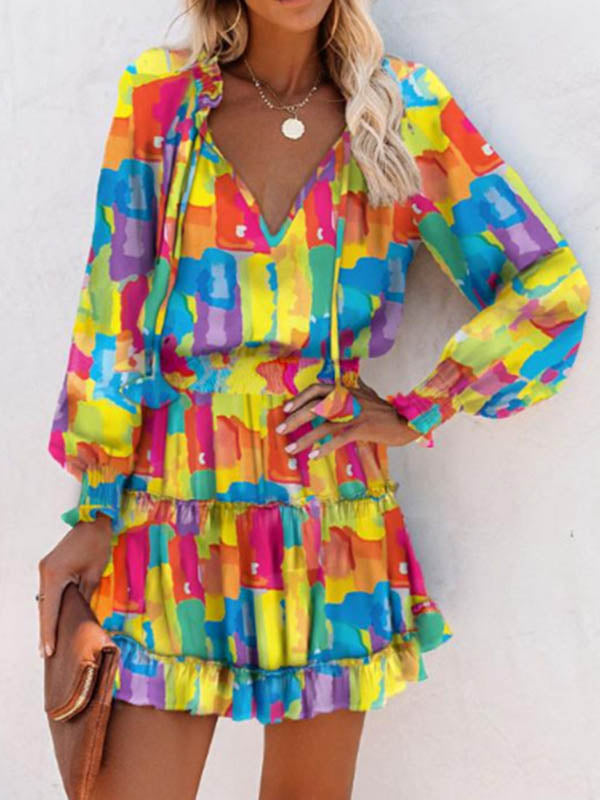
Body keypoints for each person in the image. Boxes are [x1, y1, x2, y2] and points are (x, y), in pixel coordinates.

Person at [37, 1, 591, 798]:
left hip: (330, 514)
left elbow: (550, 287)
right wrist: (95, 506)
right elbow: (113, 303)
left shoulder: (403, 108)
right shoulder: (161, 99)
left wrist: (420, 409)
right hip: (169, 503)